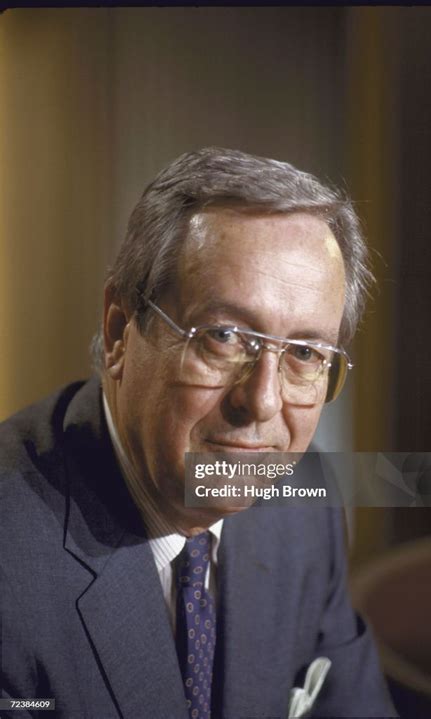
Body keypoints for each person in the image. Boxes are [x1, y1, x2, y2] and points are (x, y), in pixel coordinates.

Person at [0, 148, 397, 718]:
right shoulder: (11, 566)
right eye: (225, 338)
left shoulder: (302, 509)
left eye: (306, 353)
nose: (262, 400)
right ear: (119, 332)